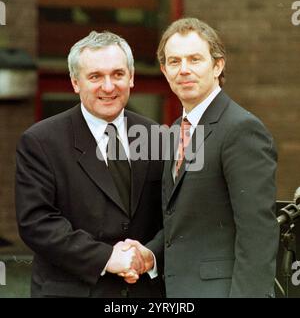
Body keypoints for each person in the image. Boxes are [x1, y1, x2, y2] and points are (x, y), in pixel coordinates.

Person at [126, 18, 279, 298]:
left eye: (195, 59)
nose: (184, 70)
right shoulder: (174, 132)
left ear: (217, 65)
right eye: (174, 62)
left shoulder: (241, 129)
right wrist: (150, 254)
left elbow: (258, 233)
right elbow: (181, 222)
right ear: (164, 70)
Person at [15, 31, 164, 298]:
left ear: (131, 77)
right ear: (75, 82)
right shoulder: (41, 141)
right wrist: (106, 258)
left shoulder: (156, 136)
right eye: (95, 76)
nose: (108, 87)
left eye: (118, 74)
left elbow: (174, 214)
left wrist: (150, 254)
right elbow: (36, 222)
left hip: (144, 293)